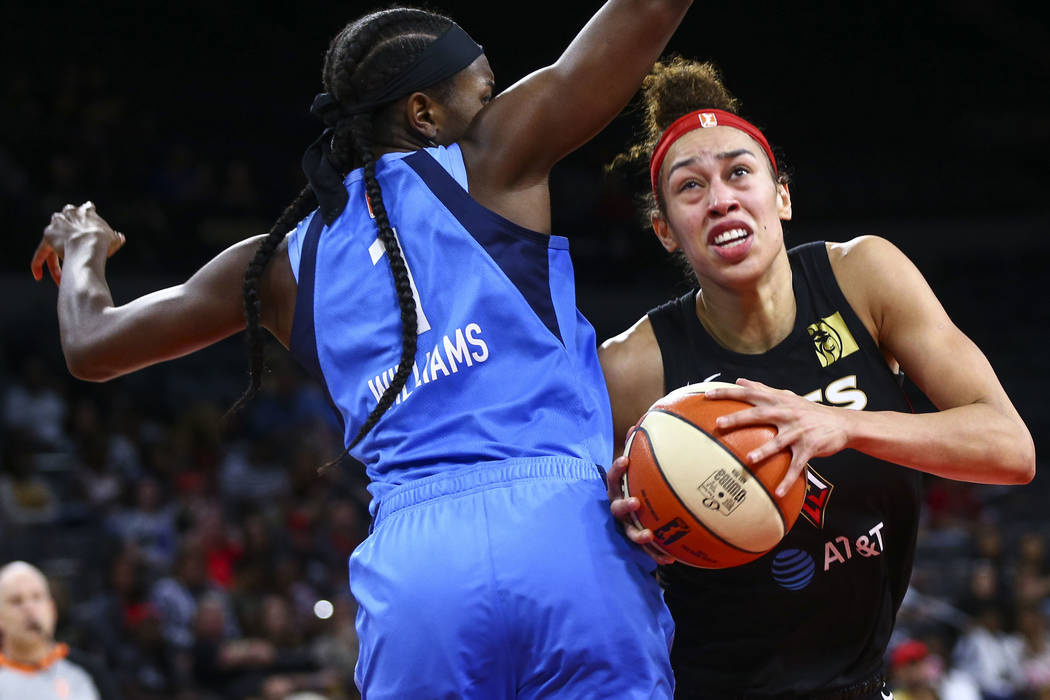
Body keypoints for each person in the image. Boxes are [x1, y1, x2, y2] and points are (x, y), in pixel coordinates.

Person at [31, 3, 693, 697]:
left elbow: (92, 346)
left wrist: (82, 249)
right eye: (485, 91)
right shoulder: (493, 160)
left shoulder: (284, 263)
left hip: (418, 572)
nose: (495, 104)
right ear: (423, 114)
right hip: (565, 534)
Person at [599, 58, 1036, 698]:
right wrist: (620, 530)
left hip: (862, 682)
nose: (720, 198)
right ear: (665, 230)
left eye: (739, 173)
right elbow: (585, 547)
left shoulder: (863, 277)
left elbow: (1011, 449)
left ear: (781, 195)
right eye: (690, 187)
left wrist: (841, 424)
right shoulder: (632, 365)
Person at [0, 561, 116, 699]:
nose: (29, 609)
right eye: (16, 601)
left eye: (37, 597)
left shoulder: (89, 672)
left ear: (52, 610)